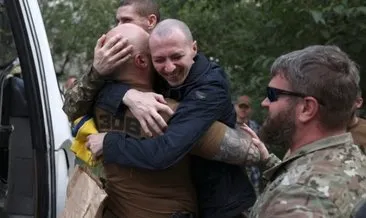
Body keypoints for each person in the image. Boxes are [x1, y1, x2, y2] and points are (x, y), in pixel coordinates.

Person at [82, 23, 266, 218]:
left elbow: (166, 151)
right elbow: (79, 100)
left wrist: (109, 143)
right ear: (147, 61)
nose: (169, 68)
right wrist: (126, 94)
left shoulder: (209, 90)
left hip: (221, 205)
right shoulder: (156, 83)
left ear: (194, 48)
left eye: (177, 57)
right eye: (159, 60)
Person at [244, 45, 366, 217]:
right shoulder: (354, 159)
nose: (265, 102)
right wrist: (270, 163)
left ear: (307, 108)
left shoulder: (296, 200)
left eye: (272, 94)